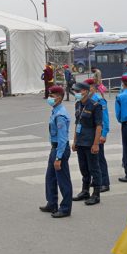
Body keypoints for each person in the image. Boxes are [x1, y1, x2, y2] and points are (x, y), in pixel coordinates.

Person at [41, 86, 73, 218]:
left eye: (52, 96)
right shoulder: (55, 110)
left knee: (63, 180)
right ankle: (52, 203)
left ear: (59, 98)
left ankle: (65, 208)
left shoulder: (60, 115)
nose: (50, 98)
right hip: (55, 148)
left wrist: (58, 157)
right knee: (50, 177)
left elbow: (62, 138)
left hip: (60, 149)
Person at [71, 82, 103, 206]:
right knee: (83, 168)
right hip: (80, 142)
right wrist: (74, 141)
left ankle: (96, 194)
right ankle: (85, 191)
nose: (76, 93)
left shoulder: (95, 105)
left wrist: (96, 144)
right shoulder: (78, 104)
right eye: (75, 91)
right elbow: (77, 124)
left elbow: (99, 126)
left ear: (86, 91)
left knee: (94, 168)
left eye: (78, 91)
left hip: (90, 142)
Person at [86, 79, 110, 193]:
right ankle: (96, 180)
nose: (88, 89)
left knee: (100, 159)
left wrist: (104, 134)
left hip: (98, 134)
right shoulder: (87, 100)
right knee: (91, 159)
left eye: (90, 87)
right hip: (90, 134)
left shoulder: (99, 100)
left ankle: (105, 183)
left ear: (94, 88)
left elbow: (105, 119)